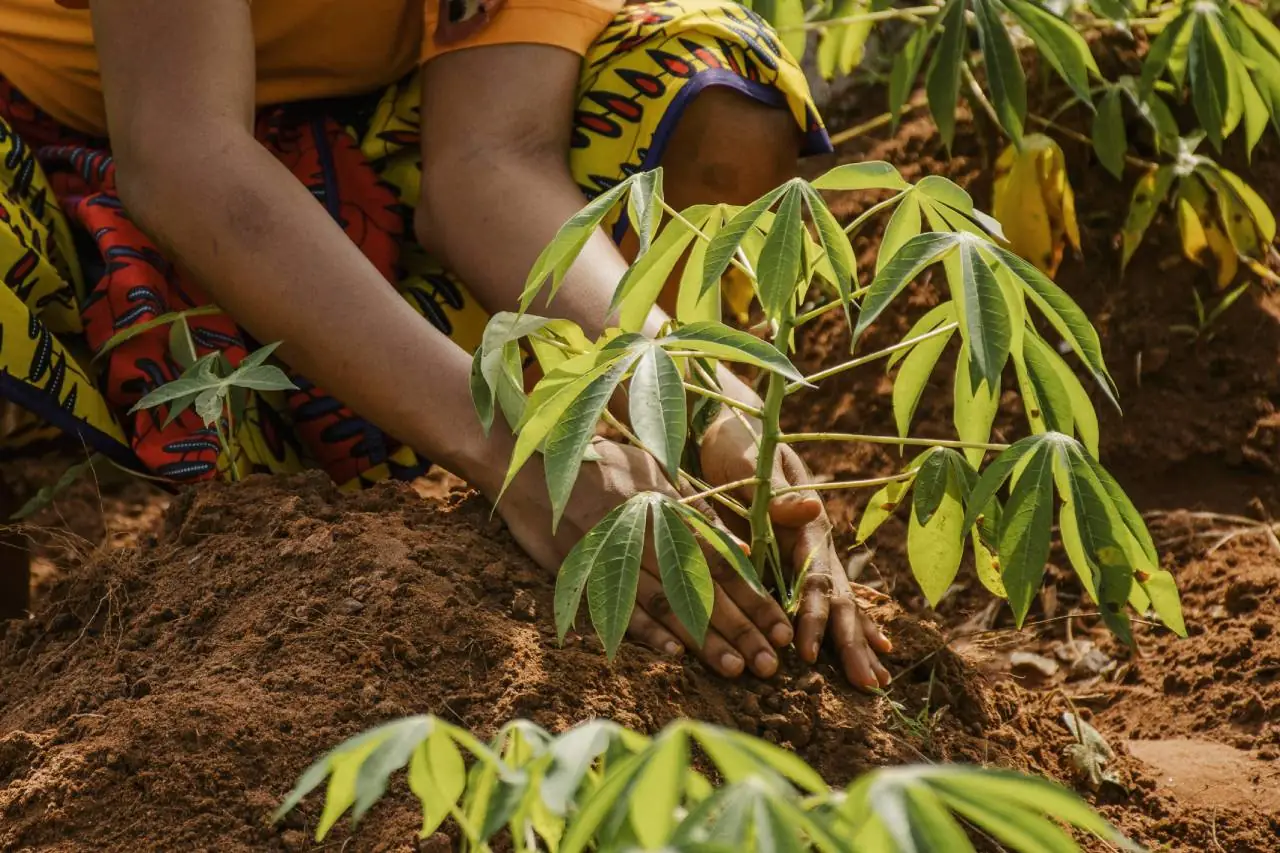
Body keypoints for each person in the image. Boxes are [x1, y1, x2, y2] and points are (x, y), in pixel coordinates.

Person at [0, 0, 891, 687]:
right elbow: (182, 151)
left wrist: (695, 400)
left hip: (361, 121)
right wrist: (512, 448)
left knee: (713, 97)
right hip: (69, 121)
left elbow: (490, 161)